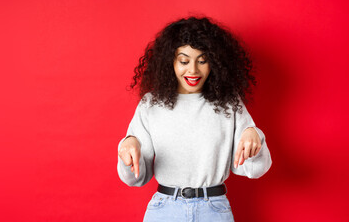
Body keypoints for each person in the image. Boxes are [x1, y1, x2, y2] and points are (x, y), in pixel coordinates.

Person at [117, 16, 272, 222]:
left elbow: (253, 170)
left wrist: (255, 137)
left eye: (202, 61)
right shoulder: (150, 104)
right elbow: (136, 179)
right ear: (169, 61)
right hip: (164, 210)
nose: (193, 70)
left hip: (214, 210)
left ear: (214, 62)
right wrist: (127, 150)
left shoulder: (228, 103)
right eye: (184, 61)